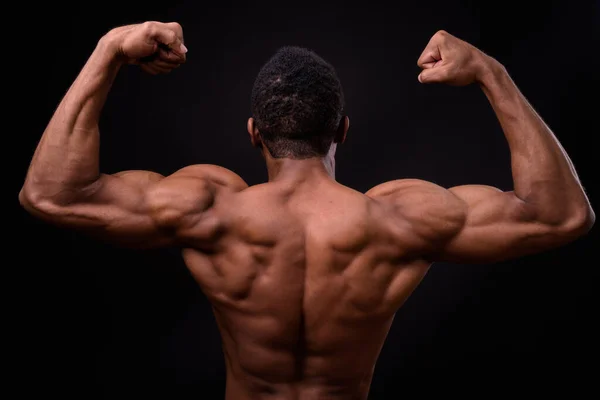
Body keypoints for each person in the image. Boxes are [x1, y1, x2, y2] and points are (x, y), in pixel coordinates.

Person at [20, 21, 594, 399]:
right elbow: (561, 214)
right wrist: (493, 73)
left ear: (253, 133)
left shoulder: (208, 209)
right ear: (342, 130)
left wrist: (109, 50)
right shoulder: (399, 220)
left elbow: (51, 194)